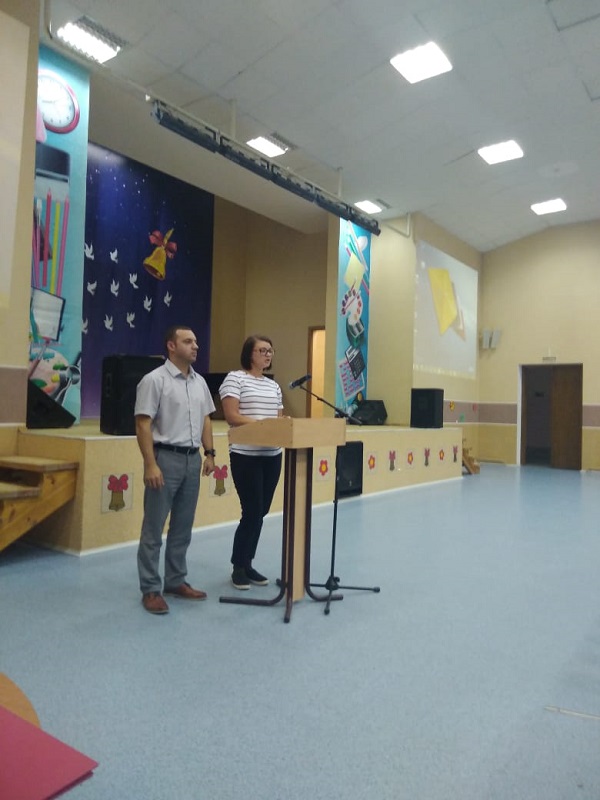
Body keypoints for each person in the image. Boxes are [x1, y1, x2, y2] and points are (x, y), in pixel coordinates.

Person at [135, 325, 216, 614]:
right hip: (165, 459)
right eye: (188, 341)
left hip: (192, 460)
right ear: (171, 346)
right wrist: (150, 464)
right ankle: (150, 589)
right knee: (153, 528)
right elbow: (142, 423)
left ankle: (175, 580)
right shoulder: (154, 380)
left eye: (196, 341)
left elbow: (206, 419)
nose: (195, 346)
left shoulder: (199, 382)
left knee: (183, 526)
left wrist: (210, 453)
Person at [219, 335, 283, 590]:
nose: (268, 355)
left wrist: (281, 425)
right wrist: (263, 425)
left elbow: (277, 420)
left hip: (272, 455)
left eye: (270, 351)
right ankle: (238, 565)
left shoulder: (273, 385)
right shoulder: (235, 378)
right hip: (246, 455)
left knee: (261, 512)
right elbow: (232, 415)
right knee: (252, 511)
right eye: (262, 350)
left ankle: (247, 563)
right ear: (249, 353)